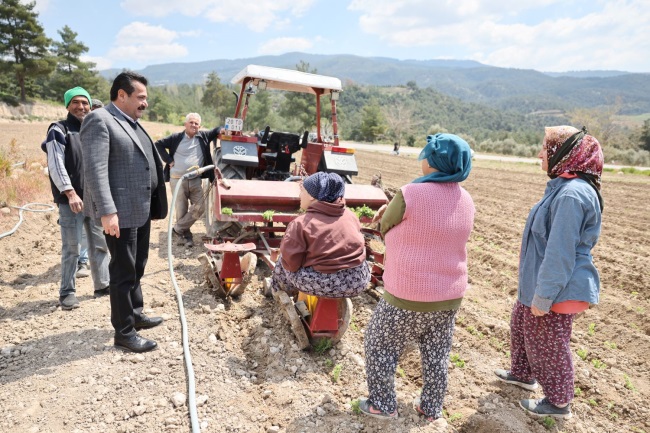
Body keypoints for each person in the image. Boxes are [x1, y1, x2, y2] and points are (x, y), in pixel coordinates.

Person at [358, 133, 475, 423]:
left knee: (380, 343)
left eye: (426, 155)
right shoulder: (466, 199)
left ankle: (382, 404)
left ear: (434, 161)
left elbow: (385, 226)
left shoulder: (410, 193)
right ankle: (431, 408)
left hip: (408, 293)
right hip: (449, 295)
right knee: (437, 353)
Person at [494, 126, 603, 419]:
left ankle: (558, 402)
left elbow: (560, 253)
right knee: (521, 326)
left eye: (546, 148)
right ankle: (522, 374)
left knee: (549, 346)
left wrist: (543, 298)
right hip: (537, 282)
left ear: (565, 153)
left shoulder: (572, 195)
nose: (540, 154)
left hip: (556, 289)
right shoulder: (563, 187)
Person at [81, 71, 168, 353]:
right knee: (122, 271)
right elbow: (95, 170)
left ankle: (135, 313)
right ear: (122, 95)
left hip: (140, 210)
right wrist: (107, 212)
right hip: (119, 213)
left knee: (138, 265)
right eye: (140, 97)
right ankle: (124, 331)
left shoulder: (132, 122)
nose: (145, 103)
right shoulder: (100, 120)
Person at [41, 87, 110, 309]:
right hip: (72, 201)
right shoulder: (58, 130)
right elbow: (56, 164)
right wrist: (70, 193)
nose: (81, 107)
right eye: (76, 102)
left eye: (85, 103)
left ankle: (103, 284)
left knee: (100, 244)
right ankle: (67, 292)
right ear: (68, 105)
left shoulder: (93, 130)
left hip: (94, 199)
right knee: (72, 248)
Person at [270, 171, 370, 298]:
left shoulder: (300, 223)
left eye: (302, 190)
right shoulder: (351, 216)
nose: (300, 195)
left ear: (312, 196)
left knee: (283, 259)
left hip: (326, 285)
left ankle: (278, 291)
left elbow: (291, 264)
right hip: (358, 281)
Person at [154, 113, 221, 248]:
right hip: (178, 180)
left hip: (195, 180)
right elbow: (158, 144)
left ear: (200, 126)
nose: (193, 125)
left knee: (200, 207)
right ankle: (185, 236)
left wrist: (222, 129)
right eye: (191, 122)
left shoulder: (203, 136)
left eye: (196, 123)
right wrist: (168, 160)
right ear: (185, 124)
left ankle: (177, 229)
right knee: (181, 209)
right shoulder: (176, 137)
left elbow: (216, 130)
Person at [76, 98, 105, 277]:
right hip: (80, 191)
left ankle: (102, 265)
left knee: (100, 230)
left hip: (100, 191)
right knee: (84, 231)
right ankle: (83, 261)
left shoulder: (105, 129)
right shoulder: (78, 129)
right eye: (92, 109)